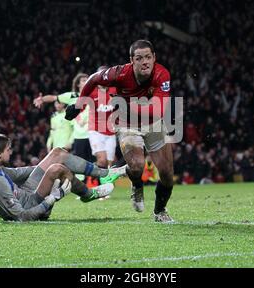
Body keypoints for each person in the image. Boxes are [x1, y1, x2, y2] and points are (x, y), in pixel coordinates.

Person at [65, 40, 176, 223]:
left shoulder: (162, 74)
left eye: (148, 57)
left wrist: (128, 106)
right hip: (127, 124)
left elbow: (157, 110)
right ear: (132, 60)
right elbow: (93, 79)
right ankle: (137, 185)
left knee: (166, 173)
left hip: (154, 123)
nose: (145, 62)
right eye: (139, 58)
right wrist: (79, 105)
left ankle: (159, 210)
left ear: (154, 58)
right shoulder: (120, 73)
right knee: (137, 165)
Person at [0, 134, 127, 222]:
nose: (11, 152)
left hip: (26, 192)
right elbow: (21, 216)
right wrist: (51, 199)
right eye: (8, 150)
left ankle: (105, 174)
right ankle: (89, 194)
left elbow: (17, 173)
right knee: (58, 170)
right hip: (29, 205)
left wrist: (45, 164)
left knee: (57, 154)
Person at [34, 73, 91, 181]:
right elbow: (55, 97)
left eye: (87, 79)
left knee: (98, 160)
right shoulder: (73, 96)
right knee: (81, 162)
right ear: (78, 84)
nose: (86, 81)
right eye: (83, 80)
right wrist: (43, 99)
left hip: (94, 133)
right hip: (79, 135)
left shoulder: (95, 94)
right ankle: (84, 188)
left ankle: (100, 185)